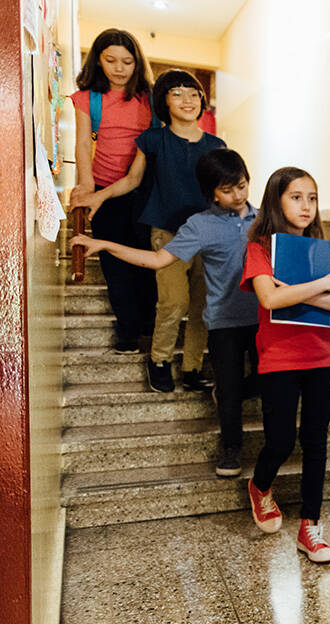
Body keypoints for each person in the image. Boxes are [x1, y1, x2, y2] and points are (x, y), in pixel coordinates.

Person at [70, 149, 260, 478]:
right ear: (211, 192)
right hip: (224, 321)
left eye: (241, 186)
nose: (237, 195)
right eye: (227, 190)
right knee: (229, 392)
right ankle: (231, 448)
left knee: (264, 382)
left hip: (263, 319)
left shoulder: (263, 219)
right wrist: (105, 245)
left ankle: (231, 393)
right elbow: (157, 260)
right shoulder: (200, 225)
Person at [73, 69, 225, 393]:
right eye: (177, 93)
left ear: (202, 101)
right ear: (164, 101)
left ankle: (193, 368)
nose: (187, 100)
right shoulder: (153, 139)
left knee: (203, 305)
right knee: (174, 301)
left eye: (194, 94)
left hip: (208, 235)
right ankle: (159, 360)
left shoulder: (216, 145)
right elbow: (132, 180)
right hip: (167, 232)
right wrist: (98, 195)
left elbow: (225, 191)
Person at [241, 167, 330, 563]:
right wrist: (323, 285)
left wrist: (296, 292)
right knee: (280, 441)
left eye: (312, 197)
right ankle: (260, 487)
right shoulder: (260, 247)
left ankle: (310, 527)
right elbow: (269, 300)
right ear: (276, 200)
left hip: (322, 355)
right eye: (296, 197)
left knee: (316, 442)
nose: (306, 205)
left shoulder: (325, 249)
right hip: (278, 358)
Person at [68, 28, 157, 353]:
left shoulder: (148, 97)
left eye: (127, 61)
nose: (119, 68)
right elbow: (81, 144)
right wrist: (87, 186)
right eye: (111, 60)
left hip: (144, 189)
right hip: (104, 188)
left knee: (146, 261)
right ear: (98, 60)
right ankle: (128, 332)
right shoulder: (87, 98)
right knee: (114, 264)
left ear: (137, 63)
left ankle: (150, 324)